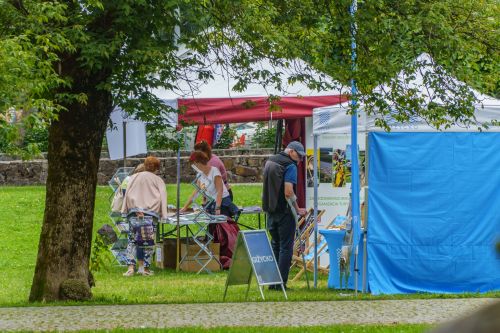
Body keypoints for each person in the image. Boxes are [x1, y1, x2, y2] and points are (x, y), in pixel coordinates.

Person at [181, 151, 239, 268]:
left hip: (222, 203)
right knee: (212, 230)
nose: (193, 167)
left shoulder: (214, 172)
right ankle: (215, 257)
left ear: (198, 163)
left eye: (193, 164)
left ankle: (227, 258)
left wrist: (217, 208)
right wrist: (185, 207)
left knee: (223, 231)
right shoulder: (200, 175)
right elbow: (196, 192)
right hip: (210, 204)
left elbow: (219, 191)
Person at [262, 141, 307, 289]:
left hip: (270, 211)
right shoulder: (290, 166)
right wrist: (298, 208)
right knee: (285, 248)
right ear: (291, 151)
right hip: (284, 212)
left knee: (275, 246)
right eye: (299, 156)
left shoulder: (270, 161)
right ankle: (281, 284)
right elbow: (288, 192)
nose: (300, 160)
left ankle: (272, 283)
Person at [121, 156, 167, 276]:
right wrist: (164, 215)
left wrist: (128, 209)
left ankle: (130, 267)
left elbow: (128, 194)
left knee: (132, 240)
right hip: (150, 213)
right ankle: (145, 269)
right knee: (148, 241)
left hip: (134, 212)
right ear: (156, 168)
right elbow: (163, 198)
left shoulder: (134, 177)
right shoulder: (158, 180)